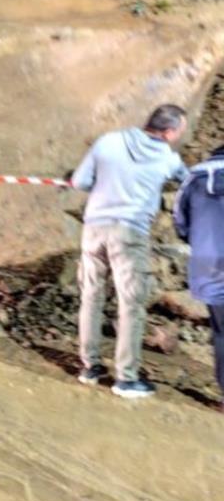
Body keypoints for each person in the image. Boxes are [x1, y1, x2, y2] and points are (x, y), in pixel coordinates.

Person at [71, 104, 188, 400]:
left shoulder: (108, 141)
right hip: (130, 233)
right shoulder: (168, 159)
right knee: (131, 305)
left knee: (91, 296)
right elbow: (189, 181)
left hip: (94, 229)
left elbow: (79, 182)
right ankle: (126, 378)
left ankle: (90, 368)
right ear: (170, 132)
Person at [173, 143, 224, 412]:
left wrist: (199, 240)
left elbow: (180, 221)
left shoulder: (195, 176)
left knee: (221, 332)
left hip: (209, 265)